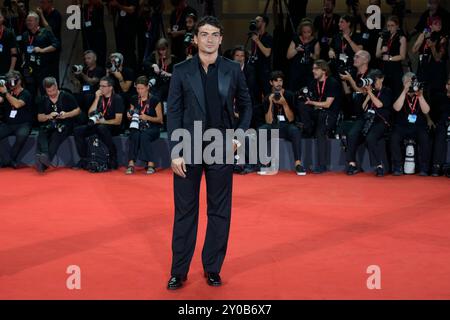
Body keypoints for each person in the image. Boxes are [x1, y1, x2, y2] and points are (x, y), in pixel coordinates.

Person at [166, 16, 252, 290]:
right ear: (196, 38)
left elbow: (248, 106)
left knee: (219, 211)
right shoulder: (181, 70)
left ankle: (213, 268)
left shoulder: (232, 69)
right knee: (185, 212)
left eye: (215, 34)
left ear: (221, 38)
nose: (210, 39)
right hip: (188, 147)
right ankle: (178, 272)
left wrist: (238, 137)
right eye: (204, 34)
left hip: (221, 146)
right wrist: (175, 151)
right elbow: (175, 111)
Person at [345, 70, 392, 177]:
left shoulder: (387, 91)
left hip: (380, 120)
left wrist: (370, 93)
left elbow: (379, 105)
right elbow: (363, 108)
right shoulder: (371, 91)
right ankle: (352, 163)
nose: (374, 83)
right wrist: (367, 94)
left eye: (375, 80)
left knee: (370, 138)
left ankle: (379, 166)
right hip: (367, 119)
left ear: (381, 79)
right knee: (352, 134)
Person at [298, 59, 341, 173]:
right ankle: (308, 127)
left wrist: (312, 103)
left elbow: (327, 104)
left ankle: (322, 165)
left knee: (320, 133)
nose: (313, 71)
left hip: (329, 114)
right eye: (313, 69)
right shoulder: (314, 83)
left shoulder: (332, 82)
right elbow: (311, 100)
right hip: (317, 112)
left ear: (324, 70)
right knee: (302, 105)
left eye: (316, 69)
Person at [260, 71, 306, 175]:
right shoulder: (268, 97)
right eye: (276, 81)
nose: (278, 83)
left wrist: (284, 104)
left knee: (295, 130)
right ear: (271, 83)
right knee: (261, 130)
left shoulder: (289, 95)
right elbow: (268, 121)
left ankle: (298, 164)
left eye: (280, 80)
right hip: (273, 126)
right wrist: (271, 103)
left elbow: (291, 119)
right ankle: (264, 163)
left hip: (286, 126)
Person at [73, 76, 124, 170]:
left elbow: (118, 121)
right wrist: (96, 98)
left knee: (101, 128)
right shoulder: (100, 98)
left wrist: (102, 121)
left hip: (113, 126)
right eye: (100, 86)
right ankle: (85, 159)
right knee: (78, 130)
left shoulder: (117, 98)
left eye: (103, 86)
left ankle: (113, 157)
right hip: (99, 124)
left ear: (110, 87)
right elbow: (89, 114)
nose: (100, 88)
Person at [390, 72, 432, 176]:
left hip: (418, 126)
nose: (410, 84)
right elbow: (396, 108)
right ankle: (398, 166)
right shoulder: (399, 92)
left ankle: (424, 168)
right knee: (394, 138)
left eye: (412, 81)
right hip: (402, 126)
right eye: (407, 82)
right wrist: (404, 91)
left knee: (425, 138)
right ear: (403, 83)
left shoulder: (422, 92)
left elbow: (426, 111)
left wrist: (420, 96)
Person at [36, 77, 80, 172]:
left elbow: (77, 111)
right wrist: (48, 116)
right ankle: (45, 156)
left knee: (56, 136)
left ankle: (44, 164)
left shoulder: (66, 96)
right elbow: (39, 117)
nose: (51, 93)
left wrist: (66, 114)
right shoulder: (43, 99)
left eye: (53, 90)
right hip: (50, 124)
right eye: (49, 91)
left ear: (56, 86)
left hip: (65, 124)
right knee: (42, 132)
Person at [125, 76, 163, 175]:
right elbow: (132, 114)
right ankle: (131, 163)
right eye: (138, 88)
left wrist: (147, 117)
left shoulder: (155, 100)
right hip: (138, 126)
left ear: (147, 87)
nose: (140, 91)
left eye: (142, 88)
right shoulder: (134, 99)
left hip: (152, 127)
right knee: (134, 134)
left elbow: (160, 120)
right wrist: (129, 115)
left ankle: (151, 163)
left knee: (144, 135)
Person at [20, 11, 59, 97]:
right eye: (27, 20)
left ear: (37, 21)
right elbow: (23, 50)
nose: (28, 22)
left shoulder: (45, 32)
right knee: (30, 93)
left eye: (30, 20)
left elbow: (56, 45)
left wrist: (42, 50)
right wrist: (24, 61)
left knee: (44, 92)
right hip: (29, 69)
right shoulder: (25, 35)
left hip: (43, 69)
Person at [0, 71, 32, 168]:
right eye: (9, 81)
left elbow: (17, 104)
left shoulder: (25, 93)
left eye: (12, 81)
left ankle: (10, 159)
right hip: (9, 124)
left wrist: (5, 93)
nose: (10, 83)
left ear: (19, 82)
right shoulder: (7, 92)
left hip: (23, 124)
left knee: (21, 137)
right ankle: (8, 160)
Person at [376, 16, 407, 99]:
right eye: (388, 26)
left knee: (396, 92)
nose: (390, 28)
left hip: (395, 68)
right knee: (384, 93)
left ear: (397, 26)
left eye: (392, 25)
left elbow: (402, 56)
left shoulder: (401, 38)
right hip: (384, 68)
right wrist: (382, 51)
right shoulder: (382, 37)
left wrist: (390, 58)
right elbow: (377, 55)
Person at [286, 19, 320, 92]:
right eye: (304, 32)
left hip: (309, 72)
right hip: (296, 70)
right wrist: (296, 50)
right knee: (294, 91)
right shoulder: (296, 39)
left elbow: (317, 58)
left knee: (309, 91)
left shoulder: (315, 41)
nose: (307, 34)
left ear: (312, 32)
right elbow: (288, 56)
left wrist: (310, 54)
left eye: (309, 32)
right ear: (301, 31)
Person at [430, 76, 450, 177]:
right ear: (447, 86)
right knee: (440, 135)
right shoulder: (439, 97)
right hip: (442, 123)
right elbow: (433, 112)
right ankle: (436, 167)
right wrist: (431, 121)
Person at [0, 10, 18, 75]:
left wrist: (11, 70)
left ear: (3, 19)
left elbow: (14, 53)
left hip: (6, 69)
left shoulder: (9, 33)